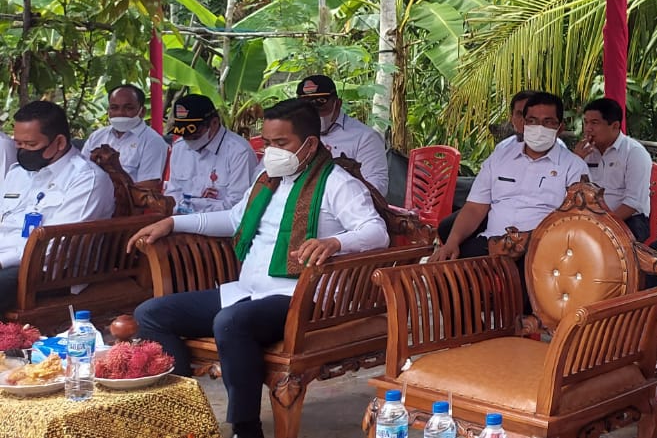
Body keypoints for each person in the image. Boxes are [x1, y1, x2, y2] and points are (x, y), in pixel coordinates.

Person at [130, 99, 388, 438]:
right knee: (151, 314)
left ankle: (246, 428)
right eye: (266, 142)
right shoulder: (267, 179)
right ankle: (185, 412)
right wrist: (173, 223)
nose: (270, 151)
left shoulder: (337, 183)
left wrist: (335, 242)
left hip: (301, 297)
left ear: (310, 144)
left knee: (231, 323)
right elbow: (233, 219)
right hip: (248, 291)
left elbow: (376, 231)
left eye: (281, 143)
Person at [432, 92, 589, 262]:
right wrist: (452, 242)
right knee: (445, 272)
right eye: (532, 121)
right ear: (524, 123)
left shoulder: (574, 166)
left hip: (541, 250)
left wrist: (525, 241)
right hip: (491, 243)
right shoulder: (499, 158)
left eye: (548, 122)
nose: (539, 127)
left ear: (560, 128)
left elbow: (575, 219)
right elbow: (475, 208)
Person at [0, 101, 116, 313]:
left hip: (48, 271)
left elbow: (57, 246)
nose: (23, 151)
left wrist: (2, 261)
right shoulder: (18, 173)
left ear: (60, 142)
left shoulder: (86, 179)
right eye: (18, 144)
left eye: (30, 145)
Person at [574, 98, 654, 242]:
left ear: (615, 126)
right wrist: (576, 161)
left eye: (594, 123)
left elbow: (633, 203)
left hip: (629, 220)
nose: (588, 129)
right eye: (586, 122)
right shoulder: (585, 153)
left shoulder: (634, 152)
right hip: (590, 218)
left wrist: (602, 224)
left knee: (598, 245)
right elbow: (572, 191)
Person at [165, 95, 260, 215]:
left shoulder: (239, 152)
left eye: (195, 135)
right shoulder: (179, 147)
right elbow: (173, 193)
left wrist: (195, 217)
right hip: (180, 219)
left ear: (214, 123)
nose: (188, 140)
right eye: (184, 136)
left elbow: (237, 205)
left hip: (221, 223)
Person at [295, 75, 389, 196]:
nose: (314, 116)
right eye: (308, 111)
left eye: (321, 109)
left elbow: (377, 186)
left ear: (338, 104)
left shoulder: (365, 137)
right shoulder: (295, 134)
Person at [83, 83, 169, 182]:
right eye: (114, 108)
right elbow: (80, 172)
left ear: (142, 112)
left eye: (128, 108)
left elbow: (148, 187)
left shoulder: (153, 142)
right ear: (108, 110)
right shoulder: (97, 136)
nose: (120, 113)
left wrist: (116, 171)